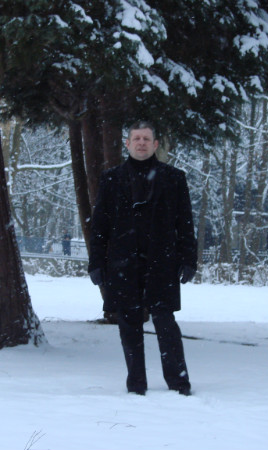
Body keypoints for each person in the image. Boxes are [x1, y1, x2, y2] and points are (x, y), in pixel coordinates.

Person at [88, 121, 197, 396]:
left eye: (146, 138)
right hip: (123, 263)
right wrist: (96, 262)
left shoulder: (174, 178)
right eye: (136, 138)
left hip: (162, 262)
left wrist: (189, 259)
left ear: (155, 144)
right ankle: (136, 383)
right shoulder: (111, 179)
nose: (141, 143)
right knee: (129, 325)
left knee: (165, 323)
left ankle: (178, 382)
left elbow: (185, 222)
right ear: (127, 144)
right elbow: (100, 225)